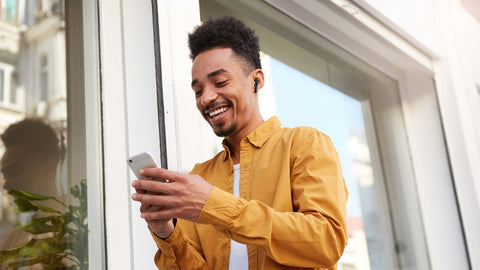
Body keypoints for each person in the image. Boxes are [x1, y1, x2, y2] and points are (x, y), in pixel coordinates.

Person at [131, 16, 348, 270]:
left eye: (220, 82)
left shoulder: (304, 144)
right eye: (198, 90)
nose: (207, 98)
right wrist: (165, 231)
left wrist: (212, 205)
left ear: (256, 80)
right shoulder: (200, 176)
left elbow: (326, 242)